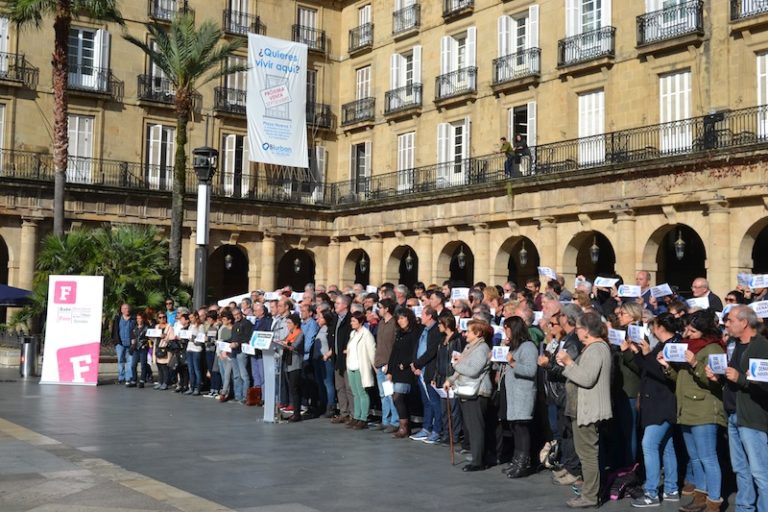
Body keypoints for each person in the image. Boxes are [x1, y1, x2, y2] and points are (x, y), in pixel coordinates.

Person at [658, 309, 726, 512]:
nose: (687, 334)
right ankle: (700, 497)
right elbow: (682, 378)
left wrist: (695, 363)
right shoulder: (689, 346)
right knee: (694, 457)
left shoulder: (714, 348)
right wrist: (667, 367)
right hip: (686, 408)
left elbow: (716, 382)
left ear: (704, 331)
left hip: (704, 409)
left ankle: (714, 501)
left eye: (693, 331)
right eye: (687, 329)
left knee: (708, 457)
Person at [706, 305, 768, 512]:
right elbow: (732, 380)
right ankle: (744, 507)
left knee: (760, 471)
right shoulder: (733, 344)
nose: (727, 324)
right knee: (740, 469)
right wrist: (718, 379)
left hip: (752, 418)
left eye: (731, 320)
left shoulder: (762, 346)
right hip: (733, 414)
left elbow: (765, 384)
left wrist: (740, 379)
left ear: (744, 322)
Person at [556, 311, 613, 509]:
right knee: (586, 453)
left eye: (579, 328)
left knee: (588, 454)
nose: (577, 331)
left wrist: (569, 363)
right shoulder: (592, 347)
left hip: (588, 409)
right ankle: (590, 492)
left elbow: (587, 378)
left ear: (587, 331)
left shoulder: (596, 349)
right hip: (582, 408)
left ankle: (590, 496)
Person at [629, 313, 681, 507]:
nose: (651, 330)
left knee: (649, 445)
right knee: (667, 447)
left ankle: (651, 492)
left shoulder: (673, 346)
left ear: (660, 327)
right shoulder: (661, 345)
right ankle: (671, 488)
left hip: (663, 404)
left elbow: (664, 374)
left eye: (653, 326)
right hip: (656, 403)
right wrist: (638, 353)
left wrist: (648, 354)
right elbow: (648, 370)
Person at [539, 304, 583, 485]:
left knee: (569, 431)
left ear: (567, 318)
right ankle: (567, 464)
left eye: (560, 316)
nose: (557, 320)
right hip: (558, 393)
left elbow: (567, 368)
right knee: (563, 431)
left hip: (566, 392)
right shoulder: (565, 338)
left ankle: (574, 470)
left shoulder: (573, 341)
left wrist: (548, 365)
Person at [444, 319, 494, 472]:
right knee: (471, 427)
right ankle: (477, 455)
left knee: (476, 427)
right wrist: (451, 379)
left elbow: (473, 370)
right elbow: (461, 369)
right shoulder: (470, 347)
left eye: (469, 331)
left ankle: (479, 460)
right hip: (466, 389)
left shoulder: (482, 348)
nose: (465, 334)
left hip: (478, 391)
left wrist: (457, 363)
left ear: (478, 333)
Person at [499, 316, 539, 478]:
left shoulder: (528, 347)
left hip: (523, 394)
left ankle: (523, 463)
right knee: (515, 427)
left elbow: (531, 370)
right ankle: (516, 460)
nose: (504, 332)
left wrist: (513, 363)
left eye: (506, 328)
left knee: (522, 428)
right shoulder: (514, 347)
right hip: (513, 394)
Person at [410, 306, 443, 444]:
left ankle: (437, 430)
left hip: (428, 370)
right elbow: (417, 347)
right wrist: (414, 363)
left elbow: (431, 352)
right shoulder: (423, 330)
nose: (420, 316)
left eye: (423, 314)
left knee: (434, 402)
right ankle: (426, 428)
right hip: (420, 370)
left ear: (430, 316)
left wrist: (418, 364)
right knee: (426, 402)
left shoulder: (435, 331)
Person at [387, 307, 422, 439]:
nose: (400, 321)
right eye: (398, 318)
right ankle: (404, 424)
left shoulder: (415, 332)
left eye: (403, 318)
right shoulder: (400, 333)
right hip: (397, 370)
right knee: (398, 397)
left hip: (407, 370)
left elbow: (416, 351)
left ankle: (404, 426)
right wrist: (390, 370)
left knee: (398, 396)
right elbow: (394, 353)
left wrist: (407, 363)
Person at [345, 311, 376, 429]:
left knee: (362, 393)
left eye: (353, 321)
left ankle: (363, 418)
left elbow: (371, 351)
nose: (351, 323)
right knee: (355, 393)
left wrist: (374, 366)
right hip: (351, 366)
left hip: (360, 367)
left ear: (360, 321)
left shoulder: (366, 334)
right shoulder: (353, 333)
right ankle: (356, 416)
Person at [374, 298, 399, 432]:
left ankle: (394, 421)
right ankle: (385, 420)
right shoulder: (381, 323)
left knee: (390, 394)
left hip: (388, 364)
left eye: (380, 307)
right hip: (379, 363)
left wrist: (390, 364)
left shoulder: (394, 324)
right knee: (383, 395)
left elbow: (395, 346)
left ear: (387, 309)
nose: (379, 310)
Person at [282, 313, 304, 422]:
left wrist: (283, 344)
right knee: (291, 388)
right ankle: (294, 410)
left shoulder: (300, 333)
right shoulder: (289, 334)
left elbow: (294, 346)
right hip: (287, 363)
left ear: (295, 324)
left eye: (289, 323)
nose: (287, 325)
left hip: (295, 364)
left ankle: (297, 413)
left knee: (295, 389)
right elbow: (284, 341)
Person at [316, 310, 337, 418]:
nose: (318, 319)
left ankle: (330, 406)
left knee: (328, 383)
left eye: (320, 317)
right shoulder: (320, 329)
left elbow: (334, 345)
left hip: (326, 360)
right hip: (319, 359)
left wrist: (327, 355)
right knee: (321, 384)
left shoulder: (329, 329)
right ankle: (323, 404)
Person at [111, 303, 136, 385]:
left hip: (130, 344)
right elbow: (114, 331)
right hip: (120, 343)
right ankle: (121, 378)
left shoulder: (133, 319)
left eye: (128, 308)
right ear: (121, 310)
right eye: (124, 308)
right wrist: (115, 341)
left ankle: (128, 378)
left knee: (130, 361)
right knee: (120, 361)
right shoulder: (117, 319)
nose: (127, 310)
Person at [152, 312, 174, 391]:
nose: (162, 319)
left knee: (164, 367)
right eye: (160, 317)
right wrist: (151, 336)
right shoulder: (157, 326)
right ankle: (160, 382)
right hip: (157, 347)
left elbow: (172, 338)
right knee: (159, 366)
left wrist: (165, 337)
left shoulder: (169, 327)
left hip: (164, 348)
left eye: (164, 317)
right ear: (158, 319)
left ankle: (165, 382)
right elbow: (154, 338)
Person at [129, 311, 150, 388]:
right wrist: (132, 340)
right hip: (135, 348)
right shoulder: (134, 328)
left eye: (140, 318)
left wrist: (146, 342)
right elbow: (132, 336)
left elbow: (149, 338)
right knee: (133, 365)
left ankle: (142, 380)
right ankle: (134, 380)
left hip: (143, 348)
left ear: (143, 319)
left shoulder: (146, 328)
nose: (138, 320)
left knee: (143, 365)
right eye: (137, 318)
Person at [185, 311, 204, 396]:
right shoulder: (190, 326)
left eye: (192, 317)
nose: (190, 319)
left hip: (196, 349)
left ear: (196, 317)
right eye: (189, 318)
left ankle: (197, 387)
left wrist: (193, 339)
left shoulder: (200, 326)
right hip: (189, 348)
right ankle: (191, 387)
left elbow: (201, 338)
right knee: (190, 369)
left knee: (197, 369)